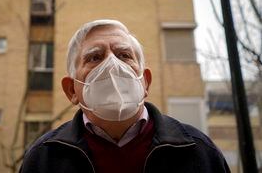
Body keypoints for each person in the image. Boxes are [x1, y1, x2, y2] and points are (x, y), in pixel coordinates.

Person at [20, 19, 230, 173]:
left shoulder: (200, 152)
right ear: (72, 90)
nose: (112, 65)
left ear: (145, 81)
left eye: (124, 55)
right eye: (95, 57)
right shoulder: (42, 159)